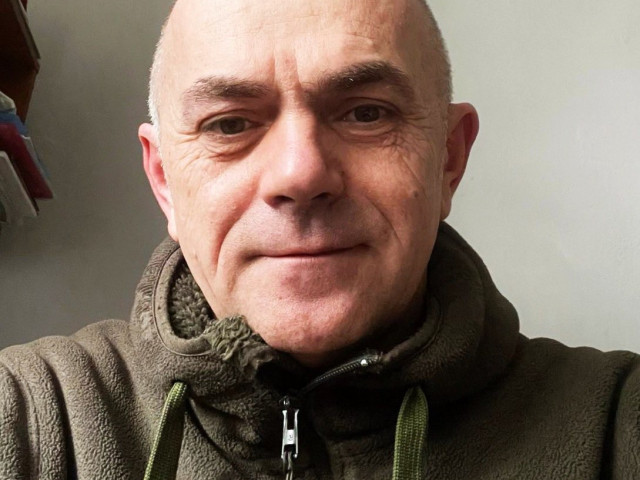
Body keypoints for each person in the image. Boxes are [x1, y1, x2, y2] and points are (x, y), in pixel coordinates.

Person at [1, 0, 639, 478]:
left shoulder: (618, 427)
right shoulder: (28, 415)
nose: (300, 175)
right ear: (164, 179)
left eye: (366, 112)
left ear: (448, 159)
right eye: (229, 124)